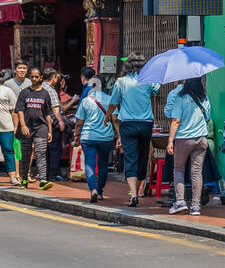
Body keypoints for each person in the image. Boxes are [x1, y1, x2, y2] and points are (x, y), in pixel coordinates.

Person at [109, 53, 160, 207]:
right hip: (145, 124)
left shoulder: (120, 82)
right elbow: (157, 90)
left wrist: (107, 117)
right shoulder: (148, 80)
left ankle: (133, 195)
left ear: (127, 66)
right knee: (143, 158)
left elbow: (113, 103)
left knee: (130, 158)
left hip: (128, 125)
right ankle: (135, 193)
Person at [165, 77, 212, 216]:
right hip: (201, 139)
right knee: (197, 172)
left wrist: (170, 141)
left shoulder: (180, 98)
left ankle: (180, 201)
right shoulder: (205, 98)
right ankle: (196, 206)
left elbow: (175, 120)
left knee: (179, 169)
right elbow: (208, 118)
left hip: (183, 139)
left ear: (186, 83)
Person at [75, 76, 117, 203]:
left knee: (90, 163)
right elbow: (115, 119)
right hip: (106, 137)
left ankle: (93, 189)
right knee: (103, 164)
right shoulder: (110, 100)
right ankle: (99, 191)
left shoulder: (86, 100)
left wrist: (76, 134)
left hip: (89, 136)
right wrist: (119, 135)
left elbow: (79, 121)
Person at [13, 67, 53, 189]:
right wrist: (23, 125)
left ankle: (43, 180)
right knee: (25, 155)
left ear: (41, 77)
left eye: (37, 77)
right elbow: (19, 110)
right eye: (32, 77)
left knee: (40, 153)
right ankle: (24, 180)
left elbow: (47, 114)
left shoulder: (45, 94)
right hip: (26, 129)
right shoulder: (24, 92)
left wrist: (50, 130)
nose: (34, 79)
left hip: (41, 128)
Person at [44, 69, 70, 182]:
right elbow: (55, 108)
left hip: (41, 124)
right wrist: (60, 121)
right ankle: (54, 173)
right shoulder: (51, 90)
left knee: (45, 150)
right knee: (55, 149)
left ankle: (45, 172)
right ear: (53, 77)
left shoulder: (39, 88)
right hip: (52, 123)